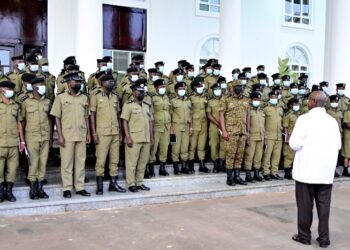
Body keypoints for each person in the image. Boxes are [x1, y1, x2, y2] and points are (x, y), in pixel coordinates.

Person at [289, 91, 341, 248]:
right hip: (325, 173)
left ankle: (304, 236)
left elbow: (294, 144)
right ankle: (324, 239)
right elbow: (338, 145)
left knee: (305, 207)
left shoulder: (304, 119)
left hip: (306, 172)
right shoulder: (332, 121)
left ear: (311, 102)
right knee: (324, 207)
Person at [50, 72, 91, 198]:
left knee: (80, 162)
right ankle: (67, 188)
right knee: (67, 163)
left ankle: (79, 187)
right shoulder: (60, 98)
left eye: (79, 81)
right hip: (67, 135)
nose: (78, 83)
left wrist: (88, 133)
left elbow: (86, 116)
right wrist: (60, 135)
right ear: (68, 83)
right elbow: (57, 117)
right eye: (75, 81)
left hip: (81, 133)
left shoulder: (84, 98)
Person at [90, 74, 126, 195]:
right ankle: (99, 186)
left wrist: (120, 131)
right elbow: (92, 115)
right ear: (102, 83)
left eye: (112, 81)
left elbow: (118, 115)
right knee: (100, 160)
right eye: (109, 81)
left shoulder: (115, 96)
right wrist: (94, 133)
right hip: (102, 133)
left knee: (114, 160)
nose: (112, 83)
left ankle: (113, 184)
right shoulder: (95, 95)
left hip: (114, 132)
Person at [121, 79, 153, 192]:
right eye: (139, 91)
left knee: (142, 163)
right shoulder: (128, 105)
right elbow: (124, 121)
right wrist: (127, 137)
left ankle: (139, 182)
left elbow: (150, 121)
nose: (142, 93)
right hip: (134, 139)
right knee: (131, 163)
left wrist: (151, 136)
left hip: (145, 138)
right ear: (134, 92)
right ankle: (131, 184)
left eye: (143, 91)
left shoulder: (146, 105)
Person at [220, 82, 250, 186]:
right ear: (232, 88)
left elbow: (248, 115)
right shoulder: (226, 99)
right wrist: (223, 131)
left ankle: (237, 176)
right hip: (231, 132)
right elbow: (221, 115)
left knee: (240, 155)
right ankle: (229, 178)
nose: (239, 88)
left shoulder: (246, 100)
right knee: (230, 155)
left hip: (242, 131)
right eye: (237, 86)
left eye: (241, 86)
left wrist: (247, 131)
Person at [0, 81, 25, 202]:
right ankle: (0, 192)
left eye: (11, 88)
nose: (10, 90)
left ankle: (9, 192)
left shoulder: (15, 105)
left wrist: (22, 141)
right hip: (0, 143)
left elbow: (19, 123)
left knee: (13, 168)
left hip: (13, 143)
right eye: (7, 88)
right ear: (1, 90)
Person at [149, 79, 171, 177]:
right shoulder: (153, 98)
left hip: (166, 126)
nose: (163, 88)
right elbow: (151, 114)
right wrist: (152, 128)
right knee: (153, 148)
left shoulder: (166, 97)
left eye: (164, 86)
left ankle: (162, 168)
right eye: (160, 87)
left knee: (164, 148)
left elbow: (169, 111)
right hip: (156, 126)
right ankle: (151, 168)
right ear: (156, 88)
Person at [170, 82, 192, 175]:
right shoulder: (173, 101)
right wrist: (170, 128)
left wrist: (191, 127)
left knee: (185, 147)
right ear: (176, 91)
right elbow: (170, 115)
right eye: (180, 89)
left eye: (183, 88)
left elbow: (191, 114)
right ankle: (176, 167)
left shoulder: (188, 101)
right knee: (175, 147)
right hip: (175, 127)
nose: (182, 90)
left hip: (186, 127)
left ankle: (184, 166)